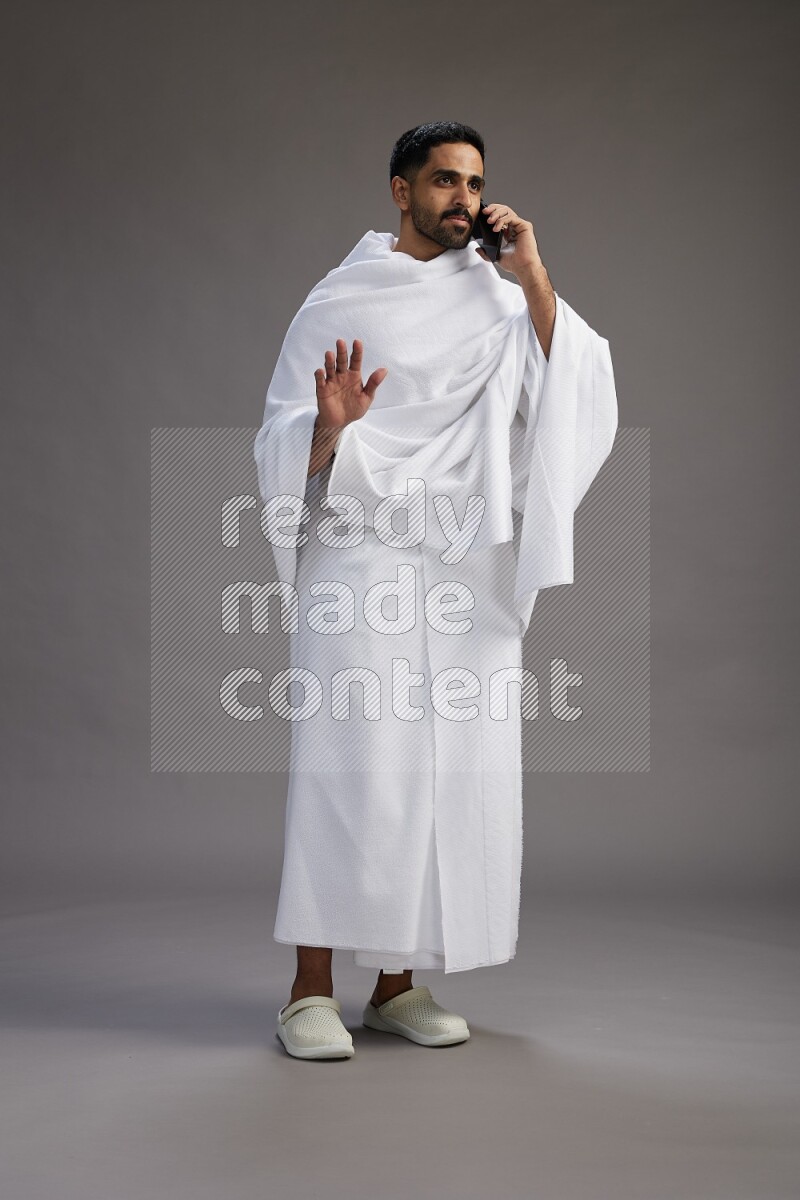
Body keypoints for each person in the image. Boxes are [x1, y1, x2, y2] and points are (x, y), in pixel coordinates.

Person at [254, 121, 618, 1060]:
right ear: (398, 190)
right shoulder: (339, 299)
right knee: (351, 767)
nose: (463, 199)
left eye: (475, 183)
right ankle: (308, 992)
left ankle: (399, 985)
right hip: (361, 557)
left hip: (464, 562)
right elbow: (281, 438)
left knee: (444, 770)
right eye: (444, 181)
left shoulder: (502, 302)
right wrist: (326, 432)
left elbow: (572, 390)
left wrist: (533, 272)